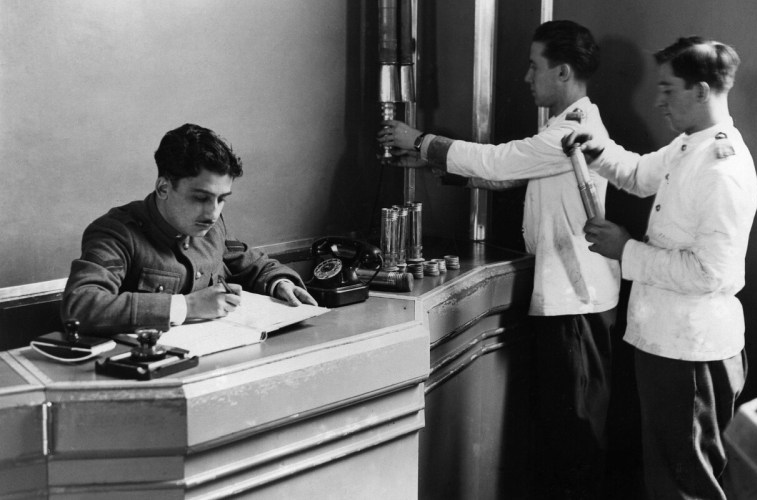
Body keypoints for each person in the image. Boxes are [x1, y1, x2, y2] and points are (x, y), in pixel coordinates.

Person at [379, 20, 620, 499]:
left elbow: (501, 162)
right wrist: (433, 164)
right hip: (571, 300)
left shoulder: (573, 131)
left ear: (563, 72)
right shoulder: (564, 128)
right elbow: (511, 176)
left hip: (576, 301)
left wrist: (422, 140)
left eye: (534, 66)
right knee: (563, 432)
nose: (527, 77)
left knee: (574, 436)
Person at [563, 36, 757, 500]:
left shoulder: (722, 169)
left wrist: (625, 250)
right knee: (670, 478)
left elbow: (710, 274)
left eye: (668, 89)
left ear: (702, 91)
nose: (659, 100)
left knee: (687, 485)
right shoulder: (690, 145)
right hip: (668, 343)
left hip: (692, 352)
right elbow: (638, 175)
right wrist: (598, 150)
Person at [61, 123, 316, 335]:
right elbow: (80, 306)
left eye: (222, 199)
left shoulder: (212, 226)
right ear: (163, 188)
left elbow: (252, 264)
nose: (213, 213)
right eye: (201, 198)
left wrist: (280, 283)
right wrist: (187, 306)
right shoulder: (116, 232)